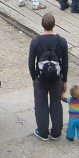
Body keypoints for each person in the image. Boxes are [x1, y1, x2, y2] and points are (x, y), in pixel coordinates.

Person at [28, 12, 68, 140]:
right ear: (54, 25)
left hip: (40, 78)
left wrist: (34, 77)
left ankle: (43, 132)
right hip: (56, 78)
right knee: (56, 103)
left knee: (41, 104)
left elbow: (30, 62)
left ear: (42, 25)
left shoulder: (36, 42)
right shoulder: (62, 41)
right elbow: (65, 63)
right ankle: (56, 132)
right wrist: (64, 79)